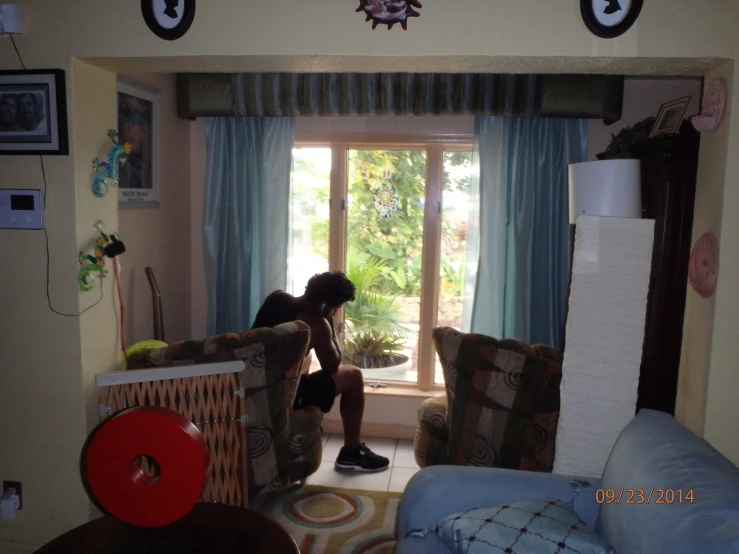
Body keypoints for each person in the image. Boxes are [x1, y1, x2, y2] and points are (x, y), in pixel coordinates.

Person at [251, 271, 390, 473]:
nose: (335, 312)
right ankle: (351, 452)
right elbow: (332, 365)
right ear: (327, 305)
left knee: (308, 367)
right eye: (336, 308)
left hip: (253, 386)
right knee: (353, 375)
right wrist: (329, 324)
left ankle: (351, 451)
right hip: (283, 395)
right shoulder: (315, 323)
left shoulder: (277, 298)